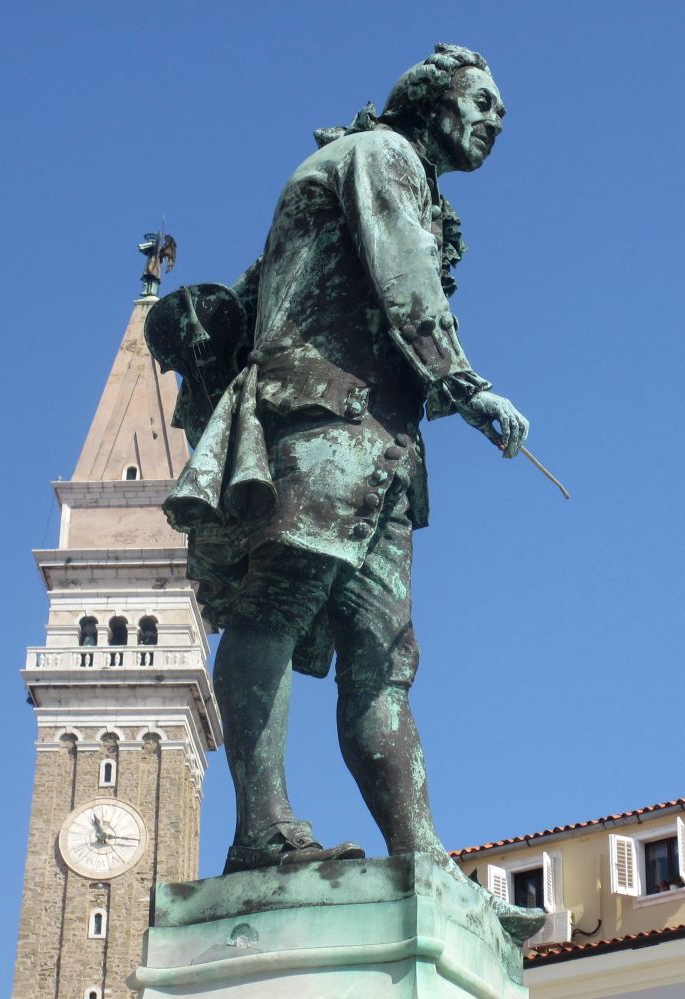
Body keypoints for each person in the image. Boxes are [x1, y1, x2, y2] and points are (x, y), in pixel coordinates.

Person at [164, 43, 541, 937]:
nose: (492, 120)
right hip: (318, 419)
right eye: (481, 100)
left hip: (381, 448)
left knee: (386, 663)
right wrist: (465, 380)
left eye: (501, 112)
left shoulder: (403, 171)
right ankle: (261, 833)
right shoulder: (382, 157)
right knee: (277, 604)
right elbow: (404, 275)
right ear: (430, 97)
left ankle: (425, 865)